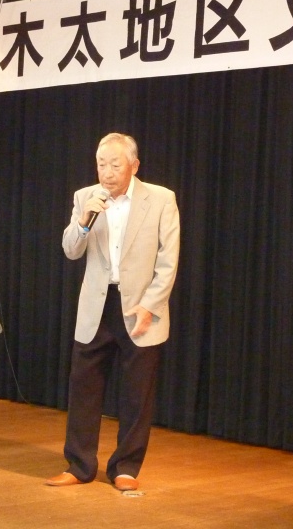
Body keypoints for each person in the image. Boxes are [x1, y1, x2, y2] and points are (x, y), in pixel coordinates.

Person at [47, 132, 180, 492]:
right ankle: (79, 465)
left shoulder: (161, 199)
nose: (106, 172)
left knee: (137, 393)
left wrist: (151, 306)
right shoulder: (85, 198)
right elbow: (71, 250)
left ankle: (125, 468)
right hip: (97, 305)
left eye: (115, 164)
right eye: (101, 164)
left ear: (134, 166)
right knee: (83, 388)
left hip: (140, 307)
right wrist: (84, 219)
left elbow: (168, 260)